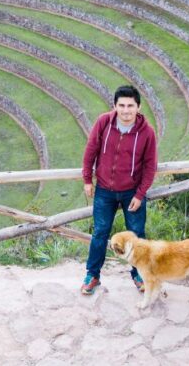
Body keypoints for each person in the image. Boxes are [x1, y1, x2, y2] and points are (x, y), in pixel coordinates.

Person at [80, 85, 158, 295]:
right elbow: (91, 150)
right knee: (100, 233)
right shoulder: (104, 122)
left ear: (138, 107)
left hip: (131, 192)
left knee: (137, 234)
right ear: (114, 106)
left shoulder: (147, 132)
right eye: (121, 105)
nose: (126, 110)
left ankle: (139, 274)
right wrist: (88, 179)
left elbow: (150, 165)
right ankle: (93, 275)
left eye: (130, 106)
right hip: (104, 190)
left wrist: (140, 194)